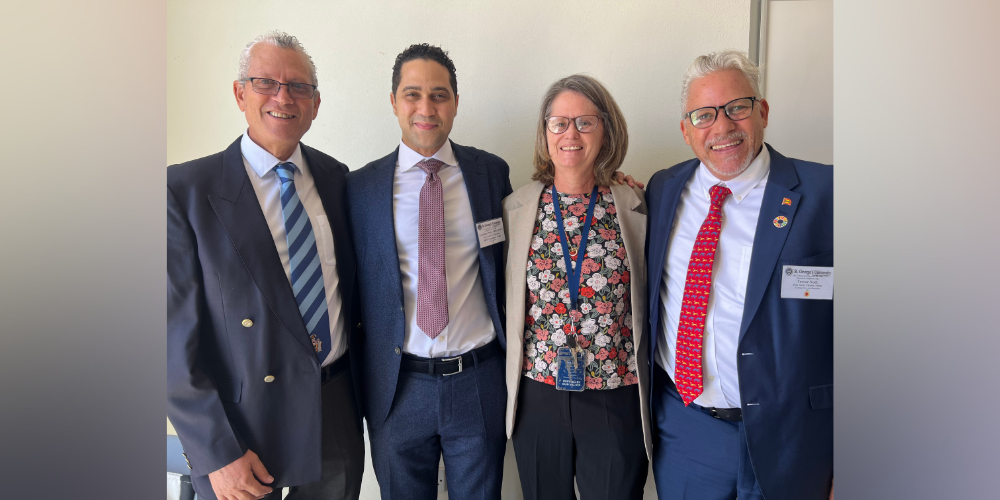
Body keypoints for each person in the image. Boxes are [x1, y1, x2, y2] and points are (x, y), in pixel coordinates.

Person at [167, 31, 364, 500]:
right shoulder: (185, 191)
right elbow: (168, 344)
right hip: (240, 424)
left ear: (315, 104)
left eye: (299, 87)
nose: (283, 97)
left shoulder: (338, 179)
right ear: (240, 93)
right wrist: (216, 453)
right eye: (265, 83)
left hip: (333, 409)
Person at [645, 50, 833, 500]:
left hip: (796, 438)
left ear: (762, 111)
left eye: (737, 108)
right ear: (686, 131)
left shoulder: (828, 194)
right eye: (704, 115)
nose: (723, 127)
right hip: (689, 432)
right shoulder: (662, 189)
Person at [345, 43, 512, 500]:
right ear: (394, 101)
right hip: (397, 387)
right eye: (412, 94)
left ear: (456, 102)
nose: (425, 107)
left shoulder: (491, 174)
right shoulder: (359, 188)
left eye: (439, 95)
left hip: (478, 381)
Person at [502, 74, 652, 499]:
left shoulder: (637, 205)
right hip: (538, 391)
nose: (571, 133)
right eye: (559, 123)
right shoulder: (514, 208)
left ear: (606, 130)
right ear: (544, 133)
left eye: (585, 122)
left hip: (614, 391)